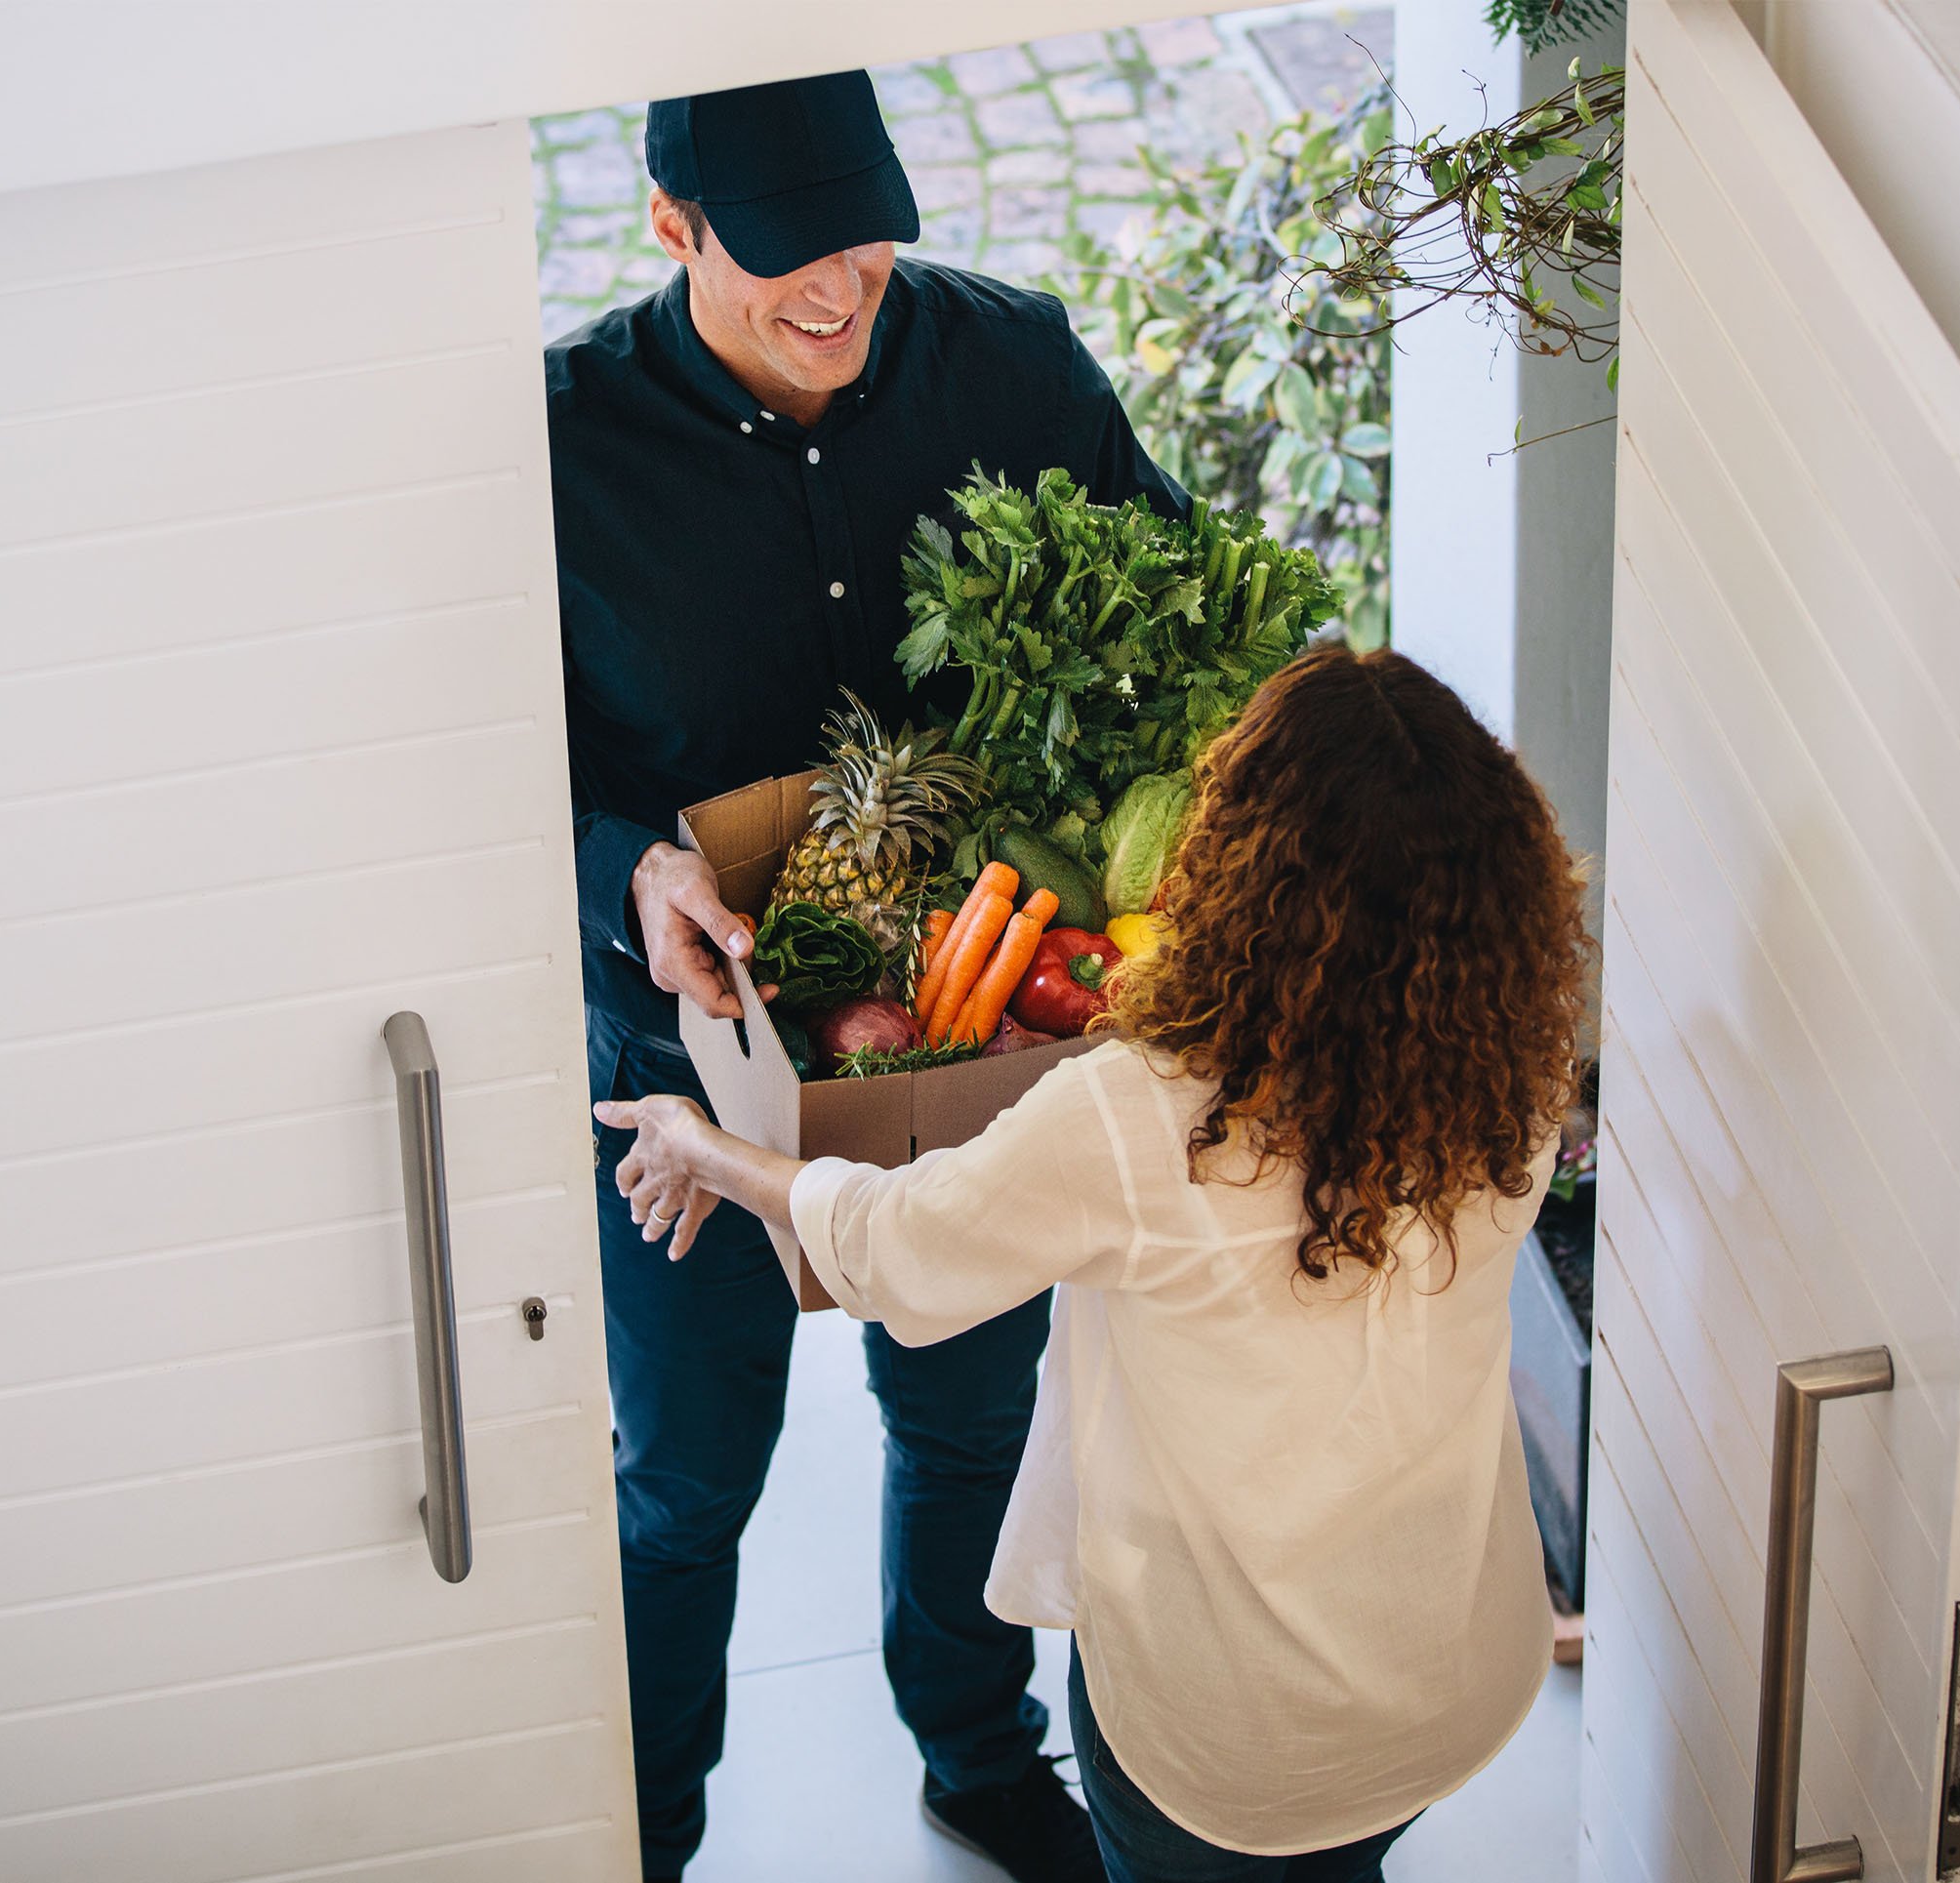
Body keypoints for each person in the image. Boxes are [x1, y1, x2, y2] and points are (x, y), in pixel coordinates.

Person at [595, 648, 1592, 1883]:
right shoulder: (1517, 1067)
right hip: (1443, 1670)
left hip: (1231, 1737)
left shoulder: (1145, 1112)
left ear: (1237, 870)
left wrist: (709, 1144)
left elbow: (895, 1250)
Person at [546, 66, 1186, 1883]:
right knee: (683, 1481)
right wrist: (630, 869)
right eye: (783, 265)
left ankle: (978, 1751)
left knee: (970, 1408)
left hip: (967, 1028)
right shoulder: (554, 442)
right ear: (670, 226)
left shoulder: (1011, 365)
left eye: (867, 250)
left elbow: (1154, 616)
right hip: (679, 1053)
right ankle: (640, 1829)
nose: (838, 295)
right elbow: (474, 762)